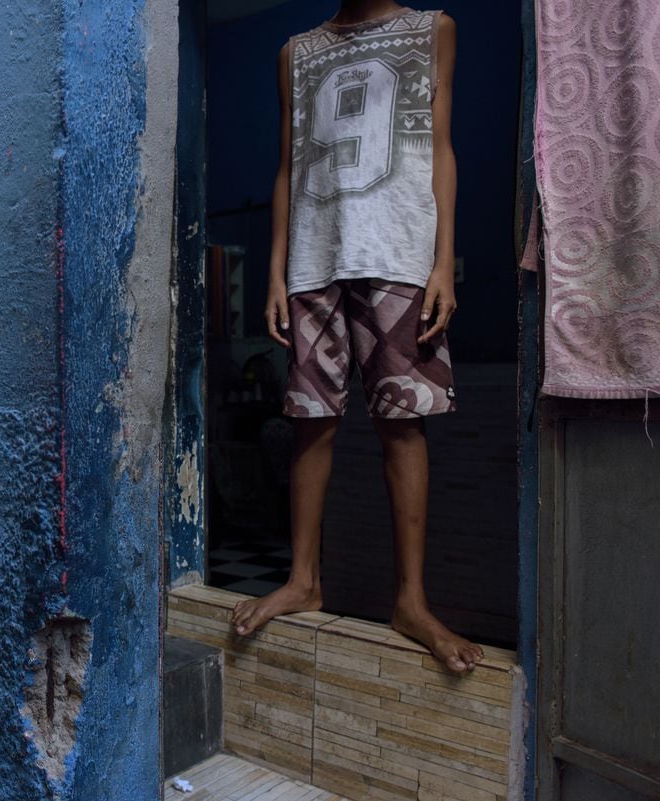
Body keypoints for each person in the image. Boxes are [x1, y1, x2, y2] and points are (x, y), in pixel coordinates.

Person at [230, 0, 484, 675]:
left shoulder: (434, 30)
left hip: (400, 251)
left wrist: (441, 262)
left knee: (403, 425)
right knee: (310, 421)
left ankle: (412, 600)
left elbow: (441, 145)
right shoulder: (295, 52)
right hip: (315, 258)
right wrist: (277, 272)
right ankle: (303, 579)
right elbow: (288, 166)